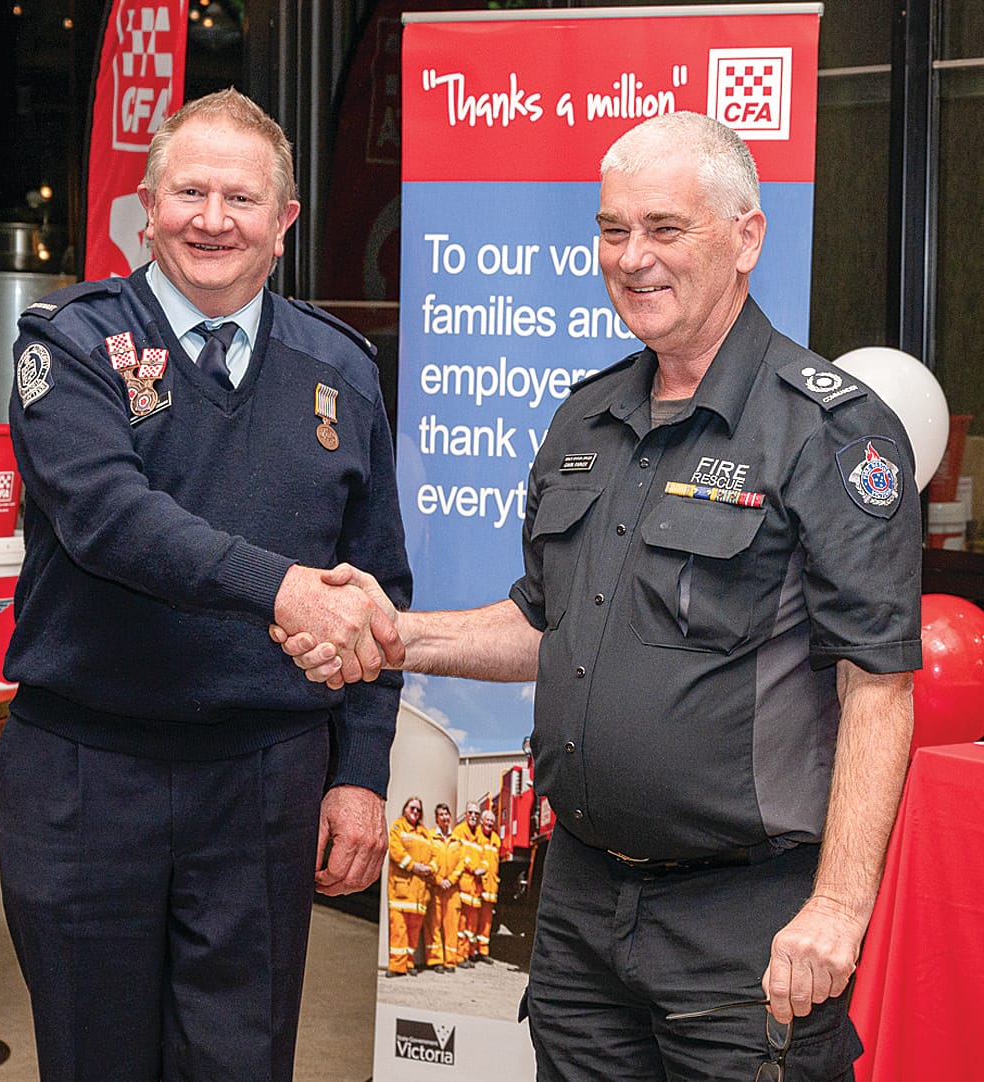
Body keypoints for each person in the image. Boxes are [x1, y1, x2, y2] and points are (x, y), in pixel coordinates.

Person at [275, 111, 921, 1080]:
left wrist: (837, 907)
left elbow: (880, 688)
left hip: (744, 923)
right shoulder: (589, 417)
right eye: (612, 229)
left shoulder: (828, 431)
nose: (632, 257)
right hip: (580, 910)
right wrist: (393, 632)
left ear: (747, 236)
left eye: (665, 228)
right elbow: (543, 622)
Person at [0, 87, 412, 1082]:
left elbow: (378, 585)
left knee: (241, 1058)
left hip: (265, 778)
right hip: (90, 773)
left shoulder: (342, 369)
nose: (211, 219)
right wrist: (285, 592)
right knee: (97, 1057)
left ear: (285, 223)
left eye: (240, 197)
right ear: (148, 207)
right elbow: (111, 519)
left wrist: (358, 773)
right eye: (189, 191)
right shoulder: (69, 346)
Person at [386, 795, 434, 976]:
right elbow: (396, 851)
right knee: (399, 930)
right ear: (405, 809)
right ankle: (397, 967)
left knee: (414, 931)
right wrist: (415, 866)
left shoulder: (424, 832)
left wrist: (430, 868)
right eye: (412, 808)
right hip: (401, 890)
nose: (415, 812)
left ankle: (409, 963)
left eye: (418, 809)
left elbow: (435, 854)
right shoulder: (398, 827)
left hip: (419, 893)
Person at [424, 801, 464, 974]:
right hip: (436, 888)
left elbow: (462, 863)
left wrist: (452, 880)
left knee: (451, 926)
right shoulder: (430, 838)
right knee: (433, 925)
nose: (444, 817)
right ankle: (435, 960)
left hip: (452, 890)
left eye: (446, 814)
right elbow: (427, 860)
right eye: (441, 815)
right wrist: (439, 880)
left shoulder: (457, 840)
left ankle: (450, 961)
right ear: (436, 818)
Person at [451, 800, 485, 967]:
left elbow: (486, 858)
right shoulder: (459, 831)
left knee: (471, 925)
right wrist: (474, 868)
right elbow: (460, 856)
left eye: (476, 814)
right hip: (464, 886)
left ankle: (468, 954)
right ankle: (459, 956)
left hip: (475, 889)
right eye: (471, 813)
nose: (473, 816)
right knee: (461, 924)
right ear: (466, 815)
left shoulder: (479, 836)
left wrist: (482, 868)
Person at [475, 807, 501, 963]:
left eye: (492, 820)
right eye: (488, 820)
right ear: (482, 821)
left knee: (486, 922)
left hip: (490, 889)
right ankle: (470, 953)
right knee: (471, 922)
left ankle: (483, 951)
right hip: (477, 887)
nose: (490, 823)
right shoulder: (476, 836)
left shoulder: (496, 840)